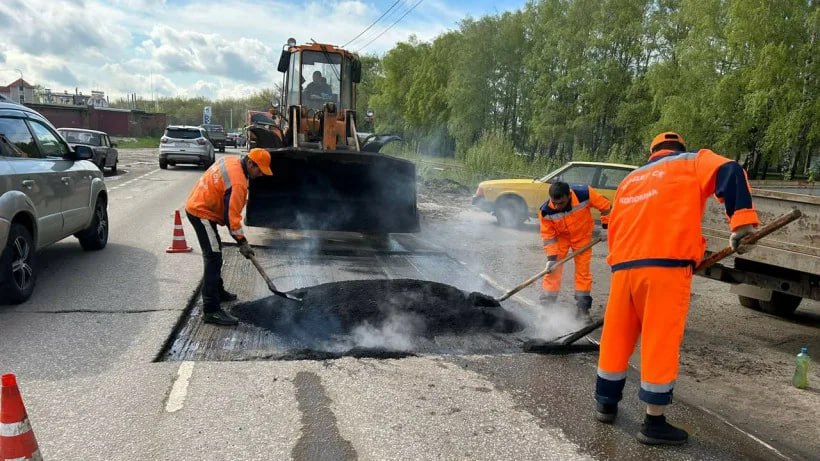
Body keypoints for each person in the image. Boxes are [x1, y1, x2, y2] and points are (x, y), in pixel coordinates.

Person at [595, 132, 759, 445]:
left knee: (615, 338)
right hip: (665, 269)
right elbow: (730, 170)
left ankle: (605, 403)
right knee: (660, 341)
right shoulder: (692, 161)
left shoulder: (630, 179)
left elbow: (614, 225)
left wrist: (621, 262)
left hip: (623, 269)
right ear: (679, 149)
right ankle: (653, 423)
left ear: (652, 152)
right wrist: (742, 224)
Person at [185, 148, 273, 325]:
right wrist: (242, 242)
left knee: (215, 252)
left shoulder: (232, 161)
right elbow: (232, 219)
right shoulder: (238, 183)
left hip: (202, 205)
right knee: (213, 257)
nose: (261, 174)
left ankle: (218, 291)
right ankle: (211, 310)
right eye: (259, 170)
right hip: (201, 212)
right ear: (250, 163)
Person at [539, 181, 611, 320]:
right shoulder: (546, 211)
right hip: (561, 239)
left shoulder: (585, 194)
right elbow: (548, 237)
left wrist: (606, 227)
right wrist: (551, 259)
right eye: (554, 203)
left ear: (569, 195)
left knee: (583, 272)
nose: (557, 207)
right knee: (553, 270)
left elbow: (606, 207)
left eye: (561, 203)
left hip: (582, 236)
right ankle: (547, 305)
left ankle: (582, 309)